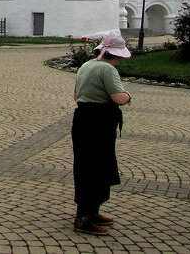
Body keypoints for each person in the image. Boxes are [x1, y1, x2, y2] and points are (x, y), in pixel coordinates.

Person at [72, 30, 132, 236]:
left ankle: (91, 212)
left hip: (82, 119)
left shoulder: (86, 65)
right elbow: (119, 98)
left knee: (86, 165)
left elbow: (76, 95)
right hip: (99, 122)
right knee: (97, 168)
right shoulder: (108, 69)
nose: (120, 61)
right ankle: (84, 219)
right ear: (114, 55)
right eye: (120, 57)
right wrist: (128, 95)